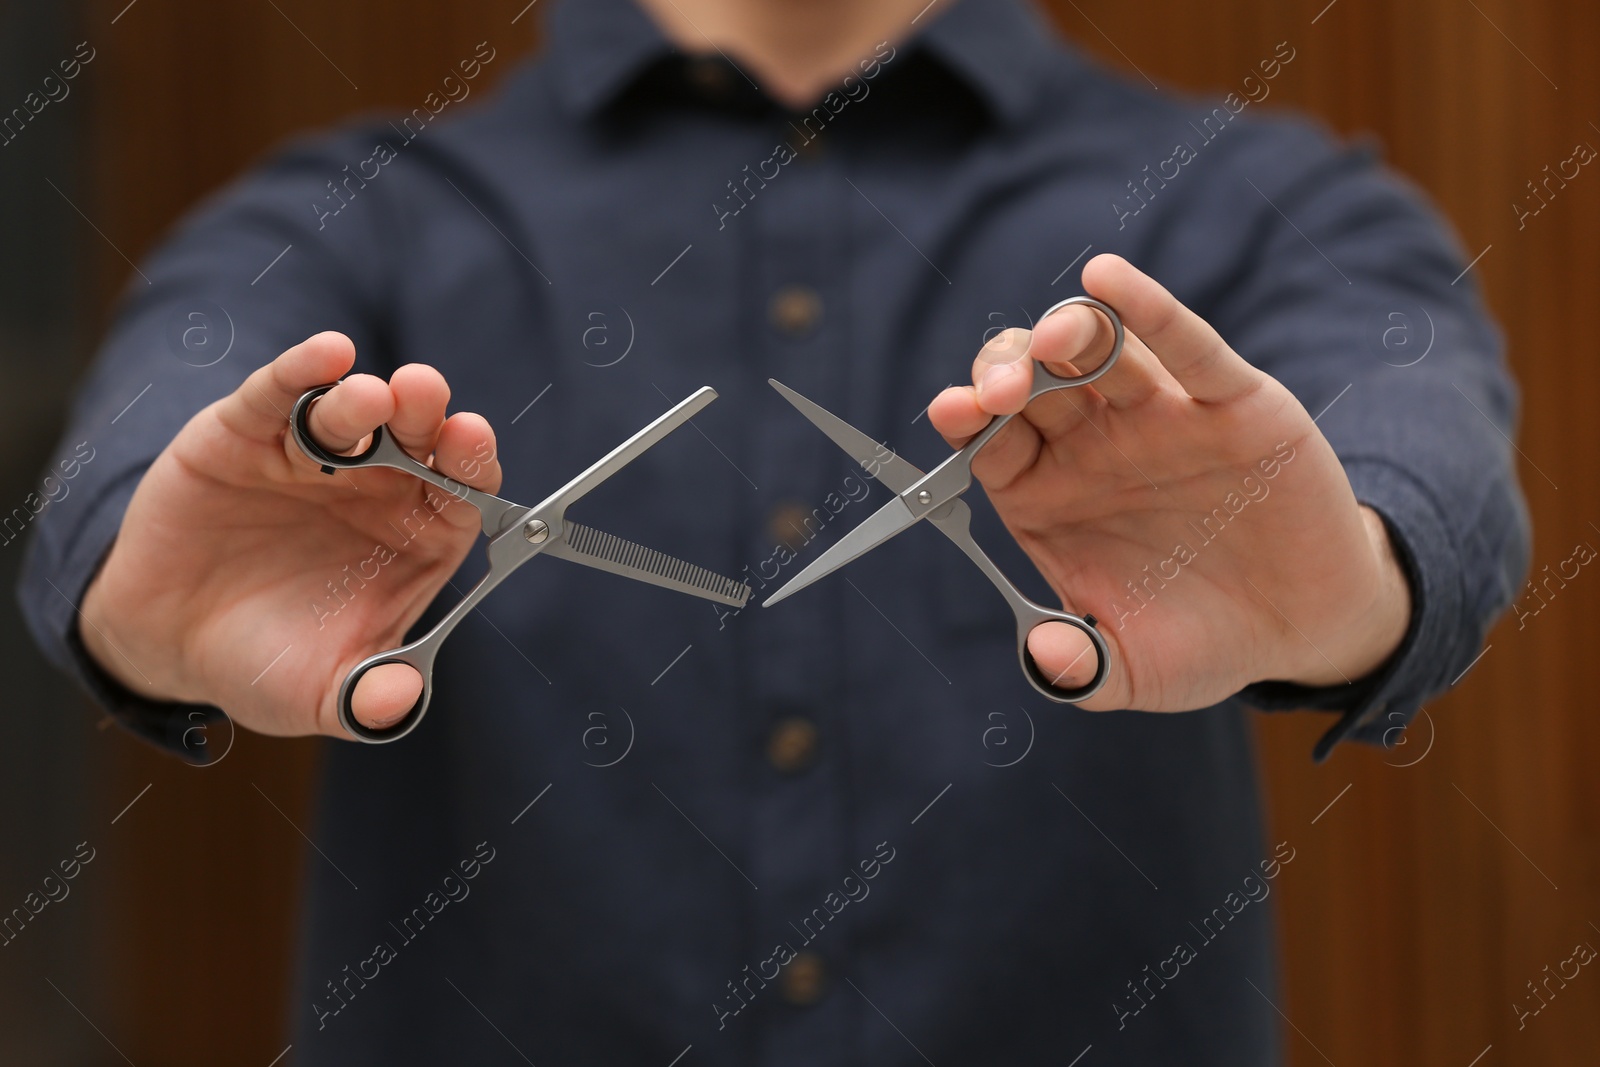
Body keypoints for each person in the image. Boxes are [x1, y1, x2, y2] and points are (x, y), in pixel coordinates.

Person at [18, 0, 1528, 1062]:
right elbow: (177, 383)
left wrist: (1363, 577)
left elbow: (1411, 399)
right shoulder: (358, 210)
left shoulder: (1259, 199)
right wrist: (136, 594)